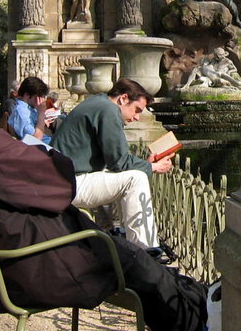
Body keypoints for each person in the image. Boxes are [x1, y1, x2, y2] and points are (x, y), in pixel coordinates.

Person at [0, 63, 206, 331]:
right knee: (134, 261)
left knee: (133, 259)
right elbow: (57, 178)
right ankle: (199, 319)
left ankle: (195, 307)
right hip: (32, 268)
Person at [53, 78, 173, 256]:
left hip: (62, 179)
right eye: (137, 110)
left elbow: (116, 161)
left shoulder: (98, 103)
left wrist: (146, 164)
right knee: (136, 179)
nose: (136, 117)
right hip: (69, 184)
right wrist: (152, 167)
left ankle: (112, 232)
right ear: (123, 99)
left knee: (131, 176)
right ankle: (146, 252)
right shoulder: (108, 110)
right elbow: (119, 162)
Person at [7, 76, 59, 144]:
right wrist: (41, 114)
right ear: (27, 95)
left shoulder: (30, 108)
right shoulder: (21, 112)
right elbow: (35, 140)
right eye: (38, 97)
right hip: (44, 147)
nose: (41, 100)